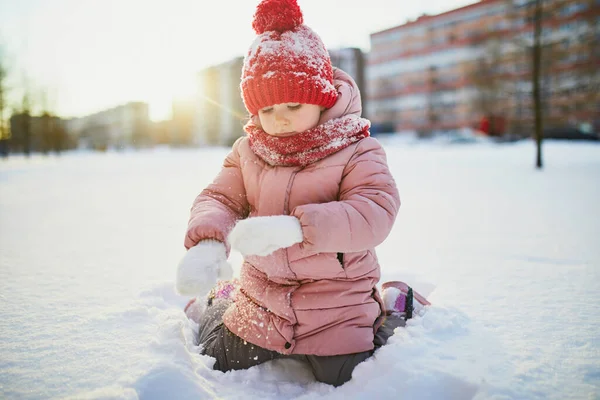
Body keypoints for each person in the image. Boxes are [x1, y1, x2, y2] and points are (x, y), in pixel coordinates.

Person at [175, 0, 429, 387]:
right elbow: (219, 198)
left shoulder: (357, 150)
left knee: (351, 376)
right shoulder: (248, 152)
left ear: (323, 96)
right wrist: (208, 239)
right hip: (262, 302)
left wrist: (297, 229)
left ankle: (393, 306)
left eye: (294, 103)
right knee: (216, 354)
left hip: (337, 307)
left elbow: (374, 211)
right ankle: (221, 297)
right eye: (267, 109)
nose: (280, 117)